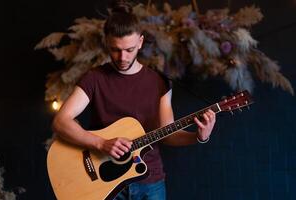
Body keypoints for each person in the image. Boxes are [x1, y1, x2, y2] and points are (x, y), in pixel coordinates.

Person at [51, 1, 216, 199]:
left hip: (150, 182)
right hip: (105, 185)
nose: (122, 57)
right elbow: (61, 121)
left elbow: (168, 134)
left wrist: (199, 136)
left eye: (129, 50)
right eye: (115, 49)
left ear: (140, 42)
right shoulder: (94, 78)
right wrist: (101, 144)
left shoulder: (159, 83)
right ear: (106, 42)